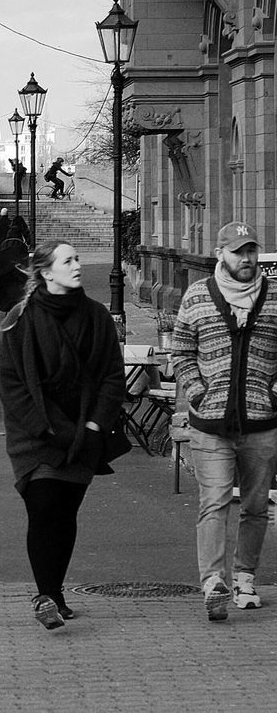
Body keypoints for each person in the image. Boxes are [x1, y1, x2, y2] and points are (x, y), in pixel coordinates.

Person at [0, 240, 125, 630]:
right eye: (68, 261)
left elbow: (112, 376)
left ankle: (55, 591)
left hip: (84, 435)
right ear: (46, 272)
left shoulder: (97, 316)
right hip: (36, 436)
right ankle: (45, 595)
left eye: (78, 259)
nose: (77, 266)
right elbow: (11, 382)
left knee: (65, 513)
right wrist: (44, 427)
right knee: (44, 507)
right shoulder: (21, 318)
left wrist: (94, 425)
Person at [171, 221, 277, 621]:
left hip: (262, 422)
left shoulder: (274, 296)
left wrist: (273, 392)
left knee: (254, 506)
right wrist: (197, 391)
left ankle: (245, 577)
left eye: (251, 251)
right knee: (214, 502)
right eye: (238, 252)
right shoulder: (198, 296)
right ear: (221, 254)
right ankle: (213, 581)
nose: (247, 259)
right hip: (210, 423)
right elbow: (181, 350)